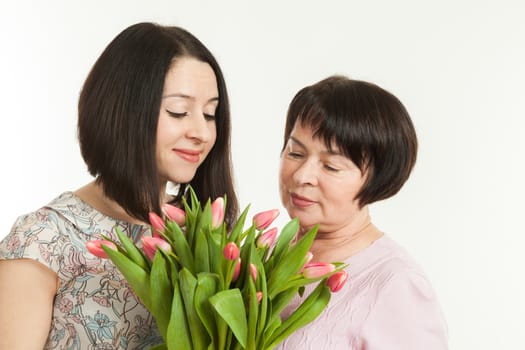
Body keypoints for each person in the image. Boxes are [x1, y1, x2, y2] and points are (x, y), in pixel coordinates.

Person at [0, 22, 238, 350]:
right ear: (125, 111)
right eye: (178, 111)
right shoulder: (44, 239)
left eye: (211, 114)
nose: (201, 131)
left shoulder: (203, 237)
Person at [275, 75, 448, 349]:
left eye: (331, 166)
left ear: (377, 179)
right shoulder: (266, 253)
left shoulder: (395, 285)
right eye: (295, 153)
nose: (302, 176)